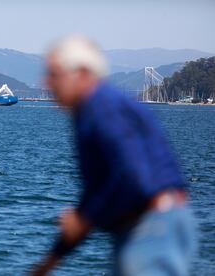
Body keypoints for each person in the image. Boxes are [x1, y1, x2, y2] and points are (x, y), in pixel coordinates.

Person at [31, 36, 197, 276]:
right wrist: (51, 260)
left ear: (83, 74)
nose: (46, 82)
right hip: (150, 225)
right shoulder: (91, 112)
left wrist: (83, 219)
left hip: (151, 227)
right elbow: (100, 190)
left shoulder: (102, 107)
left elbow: (131, 176)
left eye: (54, 74)